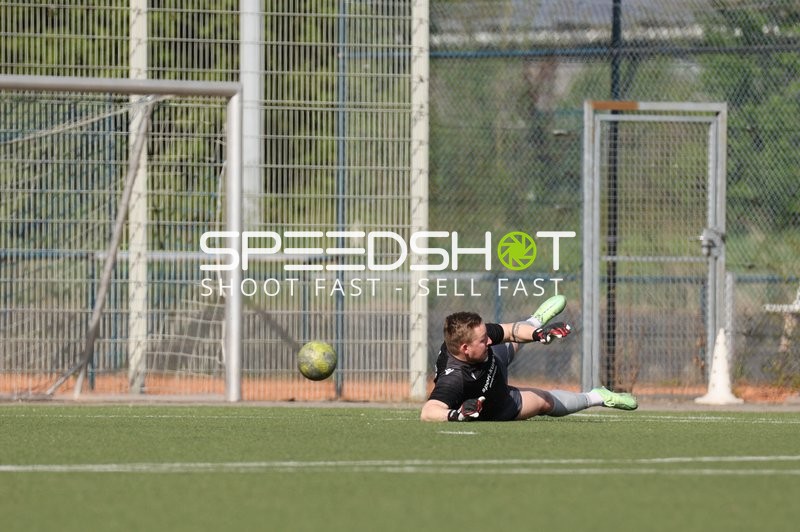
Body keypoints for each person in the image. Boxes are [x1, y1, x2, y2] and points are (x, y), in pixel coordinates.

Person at [420, 295, 638, 422]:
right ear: (465, 348)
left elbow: (509, 330)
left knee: (514, 338)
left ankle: (536, 323)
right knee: (544, 401)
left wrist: (538, 336)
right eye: (482, 340)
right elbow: (428, 411)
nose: (488, 340)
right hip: (496, 404)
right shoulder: (454, 377)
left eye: (487, 336)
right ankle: (598, 396)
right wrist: (455, 415)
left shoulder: (480, 342)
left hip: (491, 362)